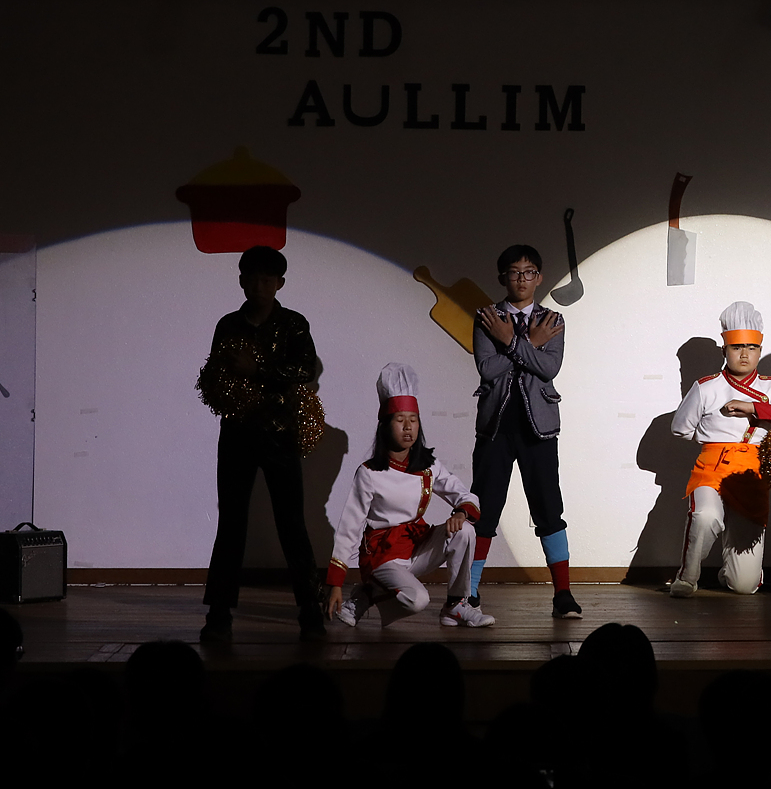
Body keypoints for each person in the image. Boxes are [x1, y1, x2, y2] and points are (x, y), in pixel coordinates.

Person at [198, 244, 325, 644]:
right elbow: (214, 377)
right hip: (237, 434)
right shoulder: (228, 325)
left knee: (291, 524)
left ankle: (311, 612)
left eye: (266, 280)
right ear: (241, 281)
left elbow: (305, 368)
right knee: (231, 524)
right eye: (251, 279)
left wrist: (258, 370)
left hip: (280, 434)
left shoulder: (293, 324)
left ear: (279, 283)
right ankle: (219, 615)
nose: (258, 286)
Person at [326, 363, 493, 628]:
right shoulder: (369, 473)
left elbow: (465, 495)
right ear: (385, 425)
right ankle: (367, 592)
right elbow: (350, 527)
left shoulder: (428, 465)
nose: (408, 427)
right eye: (400, 420)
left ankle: (455, 606)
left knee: (465, 531)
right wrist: (335, 582)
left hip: (416, 545)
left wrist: (461, 513)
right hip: (383, 555)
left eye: (413, 420)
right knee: (417, 600)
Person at [468, 243, 582, 619]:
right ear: (503, 277)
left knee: (549, 509)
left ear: (539, 277)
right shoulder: (487, 317)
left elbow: (549, 369)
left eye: (529, 272)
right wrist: (530, 344)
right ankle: (469, 591)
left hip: (539, 429)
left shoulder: (553, 319)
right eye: (515, 272)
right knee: (484, 509)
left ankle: (563, 594)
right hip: (495, 428)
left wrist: (512, 341)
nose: (522, 279)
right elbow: (487, 369)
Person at [667, 301, 771, 596]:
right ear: (724, 350)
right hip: (712, 469)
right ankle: (687, 577)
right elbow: (680, 428)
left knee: (744, 586)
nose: (744, 354)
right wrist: (713, 440)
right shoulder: (706, 386)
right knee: (705, 516)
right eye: (737, 347)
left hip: (752, 474)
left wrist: (753, 408)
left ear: (760, 351)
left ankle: (730, 573)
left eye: (752, 348)